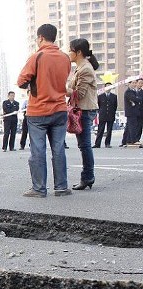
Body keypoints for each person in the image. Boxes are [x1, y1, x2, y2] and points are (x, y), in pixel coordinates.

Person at [17, 23, 72, 198]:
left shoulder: (37, 56)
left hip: (38, 111)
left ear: (40, 37)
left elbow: (21, 81)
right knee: (59, 149)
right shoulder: (65, 58)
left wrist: (31, 84)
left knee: (38, 151)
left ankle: (39, 189)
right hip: (59, 109)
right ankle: (61, 187)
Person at [66, 38, 99, 191]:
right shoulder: (80, 67)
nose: (68, 53)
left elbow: (79, 93)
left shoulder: (85, 68)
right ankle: (87, 176)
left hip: (84, 110)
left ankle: (87, 177)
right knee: (83, 145)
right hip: (82, 109)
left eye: (70, 50)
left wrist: (61, 89)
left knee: (85, 145)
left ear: (78, 52)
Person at [94, 83, 117, 148]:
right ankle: (97, 144)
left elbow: (115, 106)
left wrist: (112, 112)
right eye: (107, 87)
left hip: (111, 115)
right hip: (102, 115)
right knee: (100, 129)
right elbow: (98, 105)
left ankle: (107, 143)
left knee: (109, 130)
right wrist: (100, 112)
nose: (108, 88)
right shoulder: (100, 96)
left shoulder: (114, 96)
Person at [120, 80, 140, 147]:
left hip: (134, 112)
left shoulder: (134, 91)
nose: (134, 84)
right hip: (131, 112)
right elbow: (134, 99)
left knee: (128, 127)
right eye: (133, 83)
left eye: (135, 83)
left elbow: (135, 99)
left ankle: (126, 141)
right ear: (129, 84)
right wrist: (137, 99)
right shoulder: (129, 91)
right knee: (132, 127)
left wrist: (136, 99)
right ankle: (133, 141)